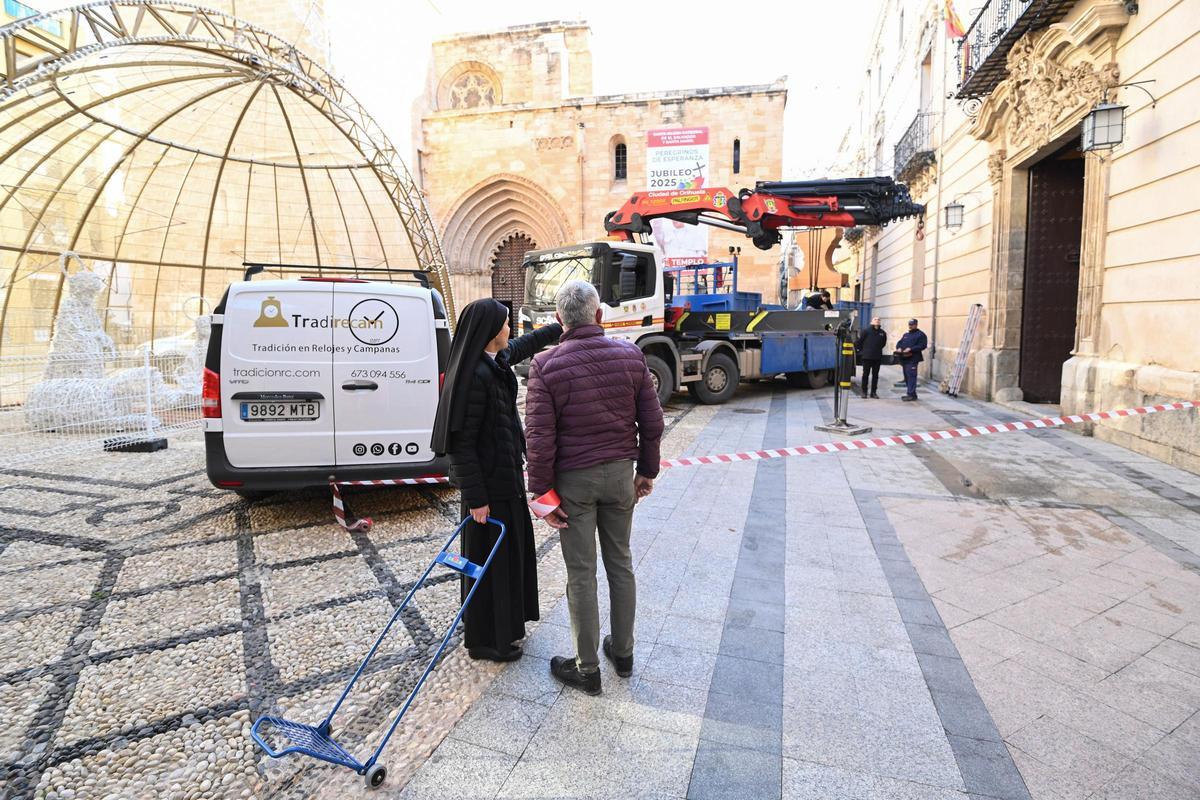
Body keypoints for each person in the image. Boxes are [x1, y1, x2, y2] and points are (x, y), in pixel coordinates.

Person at [524, 280, 664, 695]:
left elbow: (539, 439)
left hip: (574, 482)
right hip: (621, 474)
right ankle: (622, 653)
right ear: (599, 315)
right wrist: (646, 471)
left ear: (558, 320)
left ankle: (587, 669)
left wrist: (543, 496)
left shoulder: (546, 365)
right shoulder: (631, 354)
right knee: (620, 563)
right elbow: (652, 423)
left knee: (581, 573)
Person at [430, 299, 562, 662]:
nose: (510, 330)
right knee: (490, 568)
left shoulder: (494, 361)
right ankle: (487, 640)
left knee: (507, 562)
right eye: (505, 324)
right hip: (487, 492)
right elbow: (461, 445)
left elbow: (523, 346)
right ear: (490, 332)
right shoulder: (474, 376)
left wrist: (558, 327)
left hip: (505, 483)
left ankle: (507, 628)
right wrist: (476, 499)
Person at [895, 318, 928, 401]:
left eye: (912, 324)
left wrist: (911, 349)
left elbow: (922, 345)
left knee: (911, 376)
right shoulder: (906, 334)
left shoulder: (921, 335)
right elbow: (900, 342)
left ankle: (911, 394)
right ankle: (912, 394)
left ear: (916, 325)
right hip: (904, 358)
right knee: (907, 377)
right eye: (909, 324)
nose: (910, 326)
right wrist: (899, 348)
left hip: (913, 359)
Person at [856, 316, 887, 399]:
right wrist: (861, 351)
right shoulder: (866, 331)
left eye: (878, 320)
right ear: (871, 322)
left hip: (877, 357)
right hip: (867, 357)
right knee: (865, 375)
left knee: (875, 375)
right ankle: (864, 392)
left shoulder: (883, 333)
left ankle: (873, 392)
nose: (877, 321)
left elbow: (883, 344)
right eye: (875, 319)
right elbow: (860, 342)